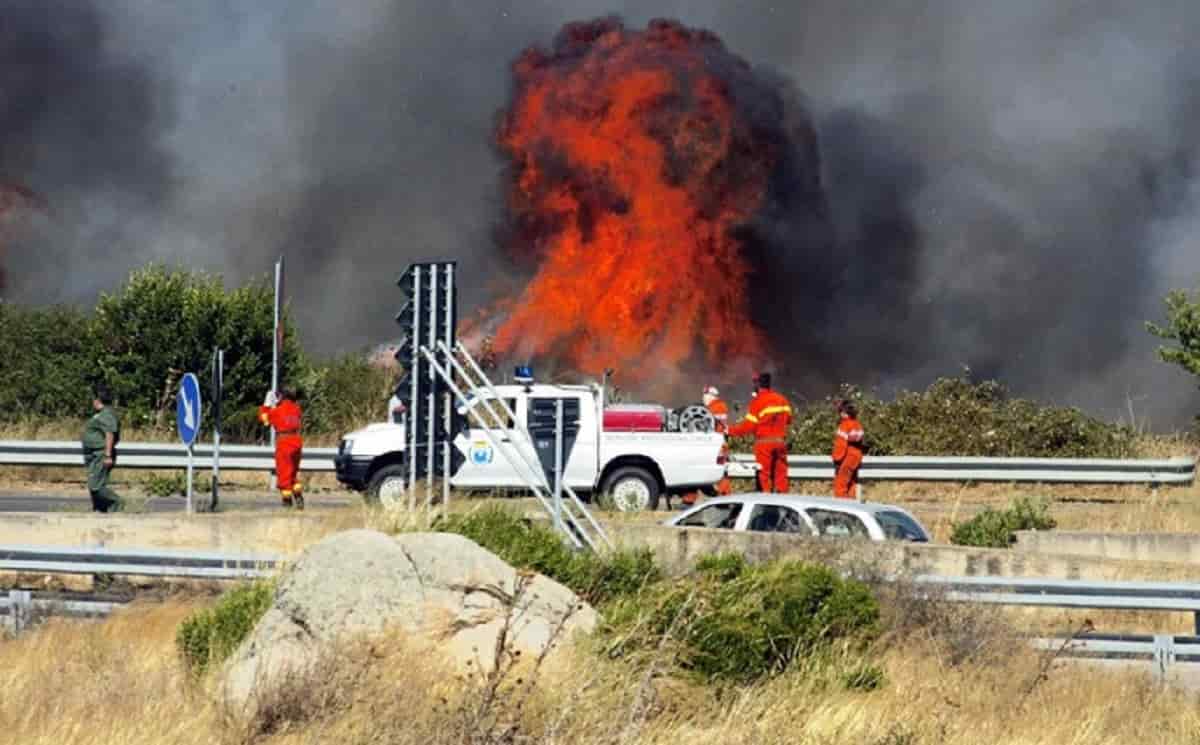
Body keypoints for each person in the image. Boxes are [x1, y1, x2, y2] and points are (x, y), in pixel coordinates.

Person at [728, 373, 793, 493]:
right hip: (780, 443)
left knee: (764, 476)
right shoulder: (782, 399)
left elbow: (748, 427)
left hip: (764, 444)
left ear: (758, 385)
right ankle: (784, 504)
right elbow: (789, 419)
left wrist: (729, 430)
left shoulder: (757, 401)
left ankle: (765, 503)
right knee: (781, 476)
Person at [681, 385, 733, 506]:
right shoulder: (713, 407)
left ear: (712, 396)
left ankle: (725, 499)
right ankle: (691, 498)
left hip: (716, 445)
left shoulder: (717, 407)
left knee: (719, 474)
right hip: (713, 444)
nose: (703, 398)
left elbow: (707, 424)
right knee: (699, 470)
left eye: (705, 395)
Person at [260, 386, 305, 509]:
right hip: (296, 441)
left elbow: (265, 420)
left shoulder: (278, 411)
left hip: (284, 442)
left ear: (282, 397)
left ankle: (287, 502)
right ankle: (299, 496)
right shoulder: (296, 409)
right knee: (292, 474)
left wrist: (267, 404)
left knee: (284, 474)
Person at [81, 384, 123, 513]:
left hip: (101, 453)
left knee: (96, 486)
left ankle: (116, 503)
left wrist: (107, 455)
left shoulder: (107, 414)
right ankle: (100, 510)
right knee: (93, 485)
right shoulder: (100, 414)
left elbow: (109, 433)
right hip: (94, 454)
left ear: (98, 400)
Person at [832, 399, 865, 499]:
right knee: (851, 483)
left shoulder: (844, 425)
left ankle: (843, 508)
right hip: (856, 457)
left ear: (844, 413)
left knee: (840, 485)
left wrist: (837, 459)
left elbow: (840, 445)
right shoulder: (858, 425)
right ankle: (852, 504)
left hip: (847, 457)